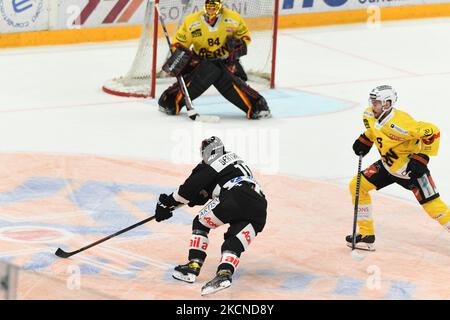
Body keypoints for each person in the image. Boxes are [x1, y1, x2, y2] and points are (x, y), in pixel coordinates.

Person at [154, 136, 267, 295]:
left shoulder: (215, 164)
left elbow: (189, 189)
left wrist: (167, 203)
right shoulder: (232, 162)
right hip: (259, 207)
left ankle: (193, 267)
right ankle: (224, 274)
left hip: (235, 195)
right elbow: (200, 195)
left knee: (200, 223)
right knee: (233, 242)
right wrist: (174, 205)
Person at [347, 85, 450, 251]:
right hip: (387, 167)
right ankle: (367, 235)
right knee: (357, 186)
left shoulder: (402, 124)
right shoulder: (369, 114)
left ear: (387, 104)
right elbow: (374, 130)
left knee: (434, 208)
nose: (372, 105)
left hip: (410, 171)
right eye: (372, 101)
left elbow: (433, 132)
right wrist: (365, 140)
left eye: (376, 103)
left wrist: (421, 157)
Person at [158, 0, 271, 120]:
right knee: (210, 69)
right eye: (209, 6)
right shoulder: (192, 21)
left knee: (218, 71)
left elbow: (245, 37)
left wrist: (238, 44)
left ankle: (255, 105)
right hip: (200, 63)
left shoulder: (233, 18)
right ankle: (170, 99)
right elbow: (179, 45)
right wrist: (177, 60)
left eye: (214, 7)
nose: (211, 11)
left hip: (226, 62)